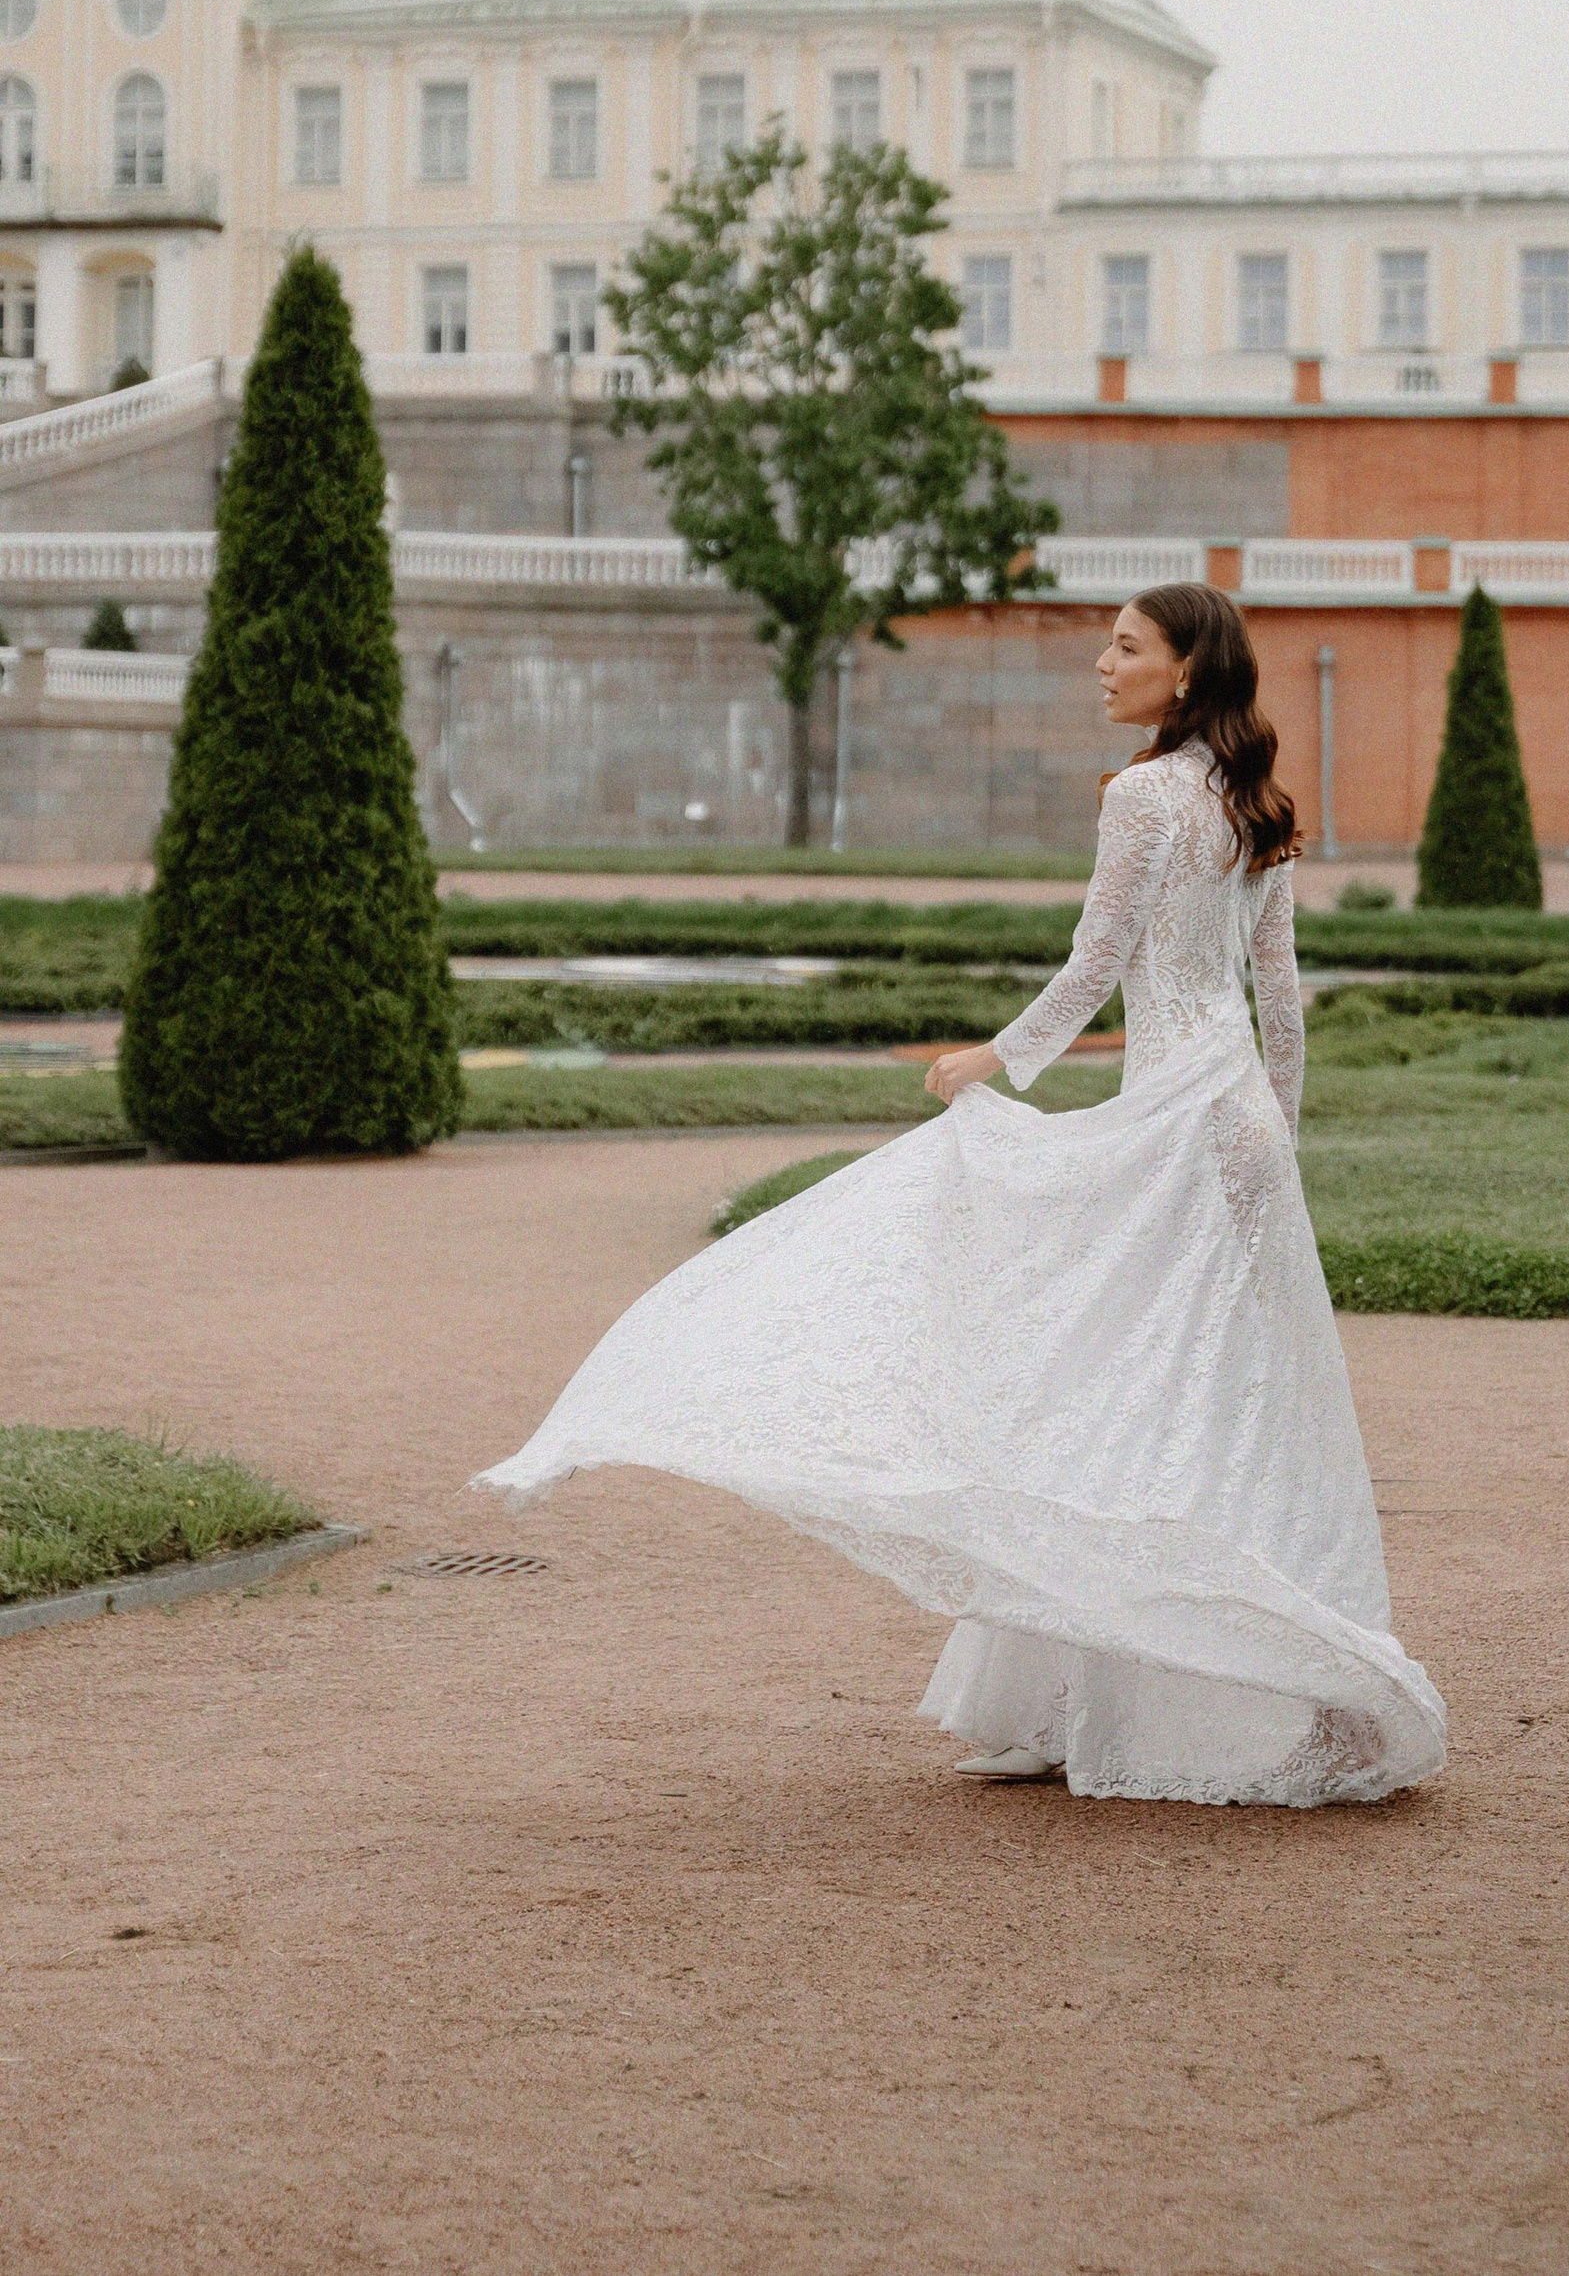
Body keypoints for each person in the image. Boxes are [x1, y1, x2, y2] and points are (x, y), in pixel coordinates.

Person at [475, 582, 1446, 1809]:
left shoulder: (1144, 798)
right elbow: (1282, 1008)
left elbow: (1096, 964)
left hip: (1173, 1127)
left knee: (1114, 1396)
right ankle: (1156, 1691)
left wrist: (998, 1060)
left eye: (1128, 647)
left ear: (1188, 673)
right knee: (1207, 1403)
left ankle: (1125, 1698)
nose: (1102, 663)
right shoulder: (1252, 804)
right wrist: (1275, 1148)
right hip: (1235, 1120)